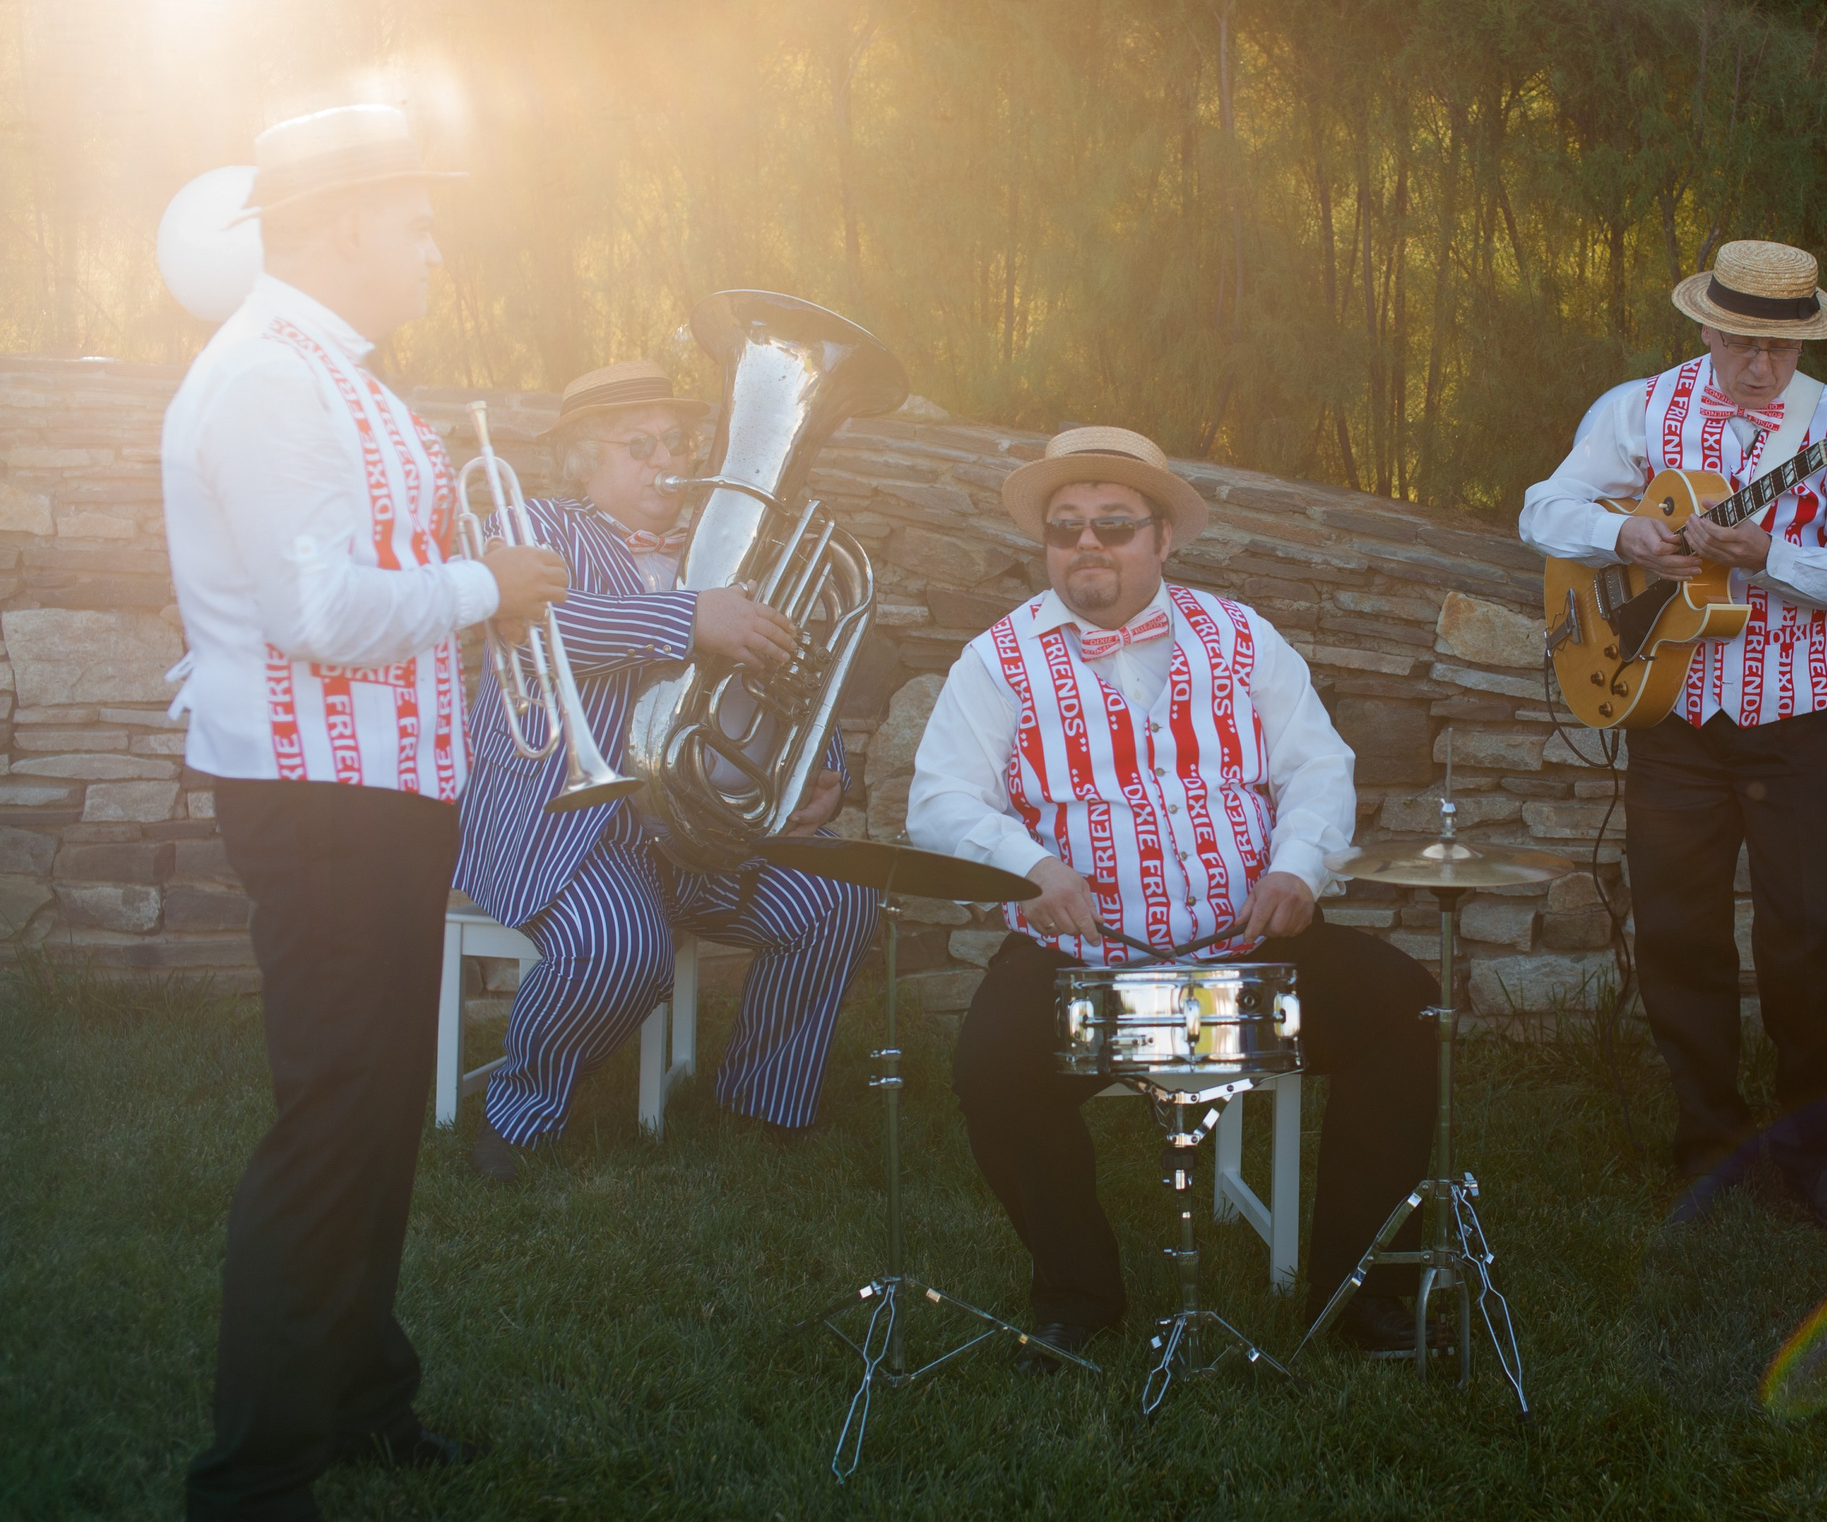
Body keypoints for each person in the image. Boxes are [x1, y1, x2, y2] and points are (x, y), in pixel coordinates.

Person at [162, 105, 570, 1519]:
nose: (435, 248)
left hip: (377, 789)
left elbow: (315, 573)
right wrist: (487, 590)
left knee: (383, 1102)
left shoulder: (336, 373)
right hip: (321, 798)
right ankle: (257, 1477)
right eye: (416, 223)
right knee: (336, 1112)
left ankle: (359, 1398)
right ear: (338, 228)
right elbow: (322, 612)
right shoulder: (274, 378)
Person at [905, 425, 1436, 1365]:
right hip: (1085, 962)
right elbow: (941, 799)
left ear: (1162, 539)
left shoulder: (1239, 636)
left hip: (1251, 952)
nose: (1087, 545)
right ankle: (1078, 1296)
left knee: (1402, 1006)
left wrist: (1297, 869)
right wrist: (1032, 867)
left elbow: (1318, 766)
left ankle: (1362, 1295)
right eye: (1066, 527)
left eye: (1114, 524)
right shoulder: (999, 658)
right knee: (992, 1065)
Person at [1519, 239, 1827, 1231]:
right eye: (1741, 342)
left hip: (1794, 722)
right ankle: (1709, 1142)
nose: (1759, 365)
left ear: (1804, 339)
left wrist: (1766, 556)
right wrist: (1623, 536)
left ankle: (1819, 1152)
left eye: (1780, 346)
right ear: (1706, 328)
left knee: (1812, 942)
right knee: (1678, 932)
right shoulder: (1639, 408)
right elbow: (1541, 507)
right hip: (1669, 714)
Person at [454, 362, 878, 1180]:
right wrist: (689, 617)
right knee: (619, 947)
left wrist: (821, 770)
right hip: (571, 827)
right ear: (584, 460)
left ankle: (762, 1105)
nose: (666, 461)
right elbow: (540, 630)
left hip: (695, 829)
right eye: (638, 445)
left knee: (838, 897)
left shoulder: (727, 549)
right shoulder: (537, 524)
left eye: (678, 442)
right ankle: (520, 1112)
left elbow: (788, 678)